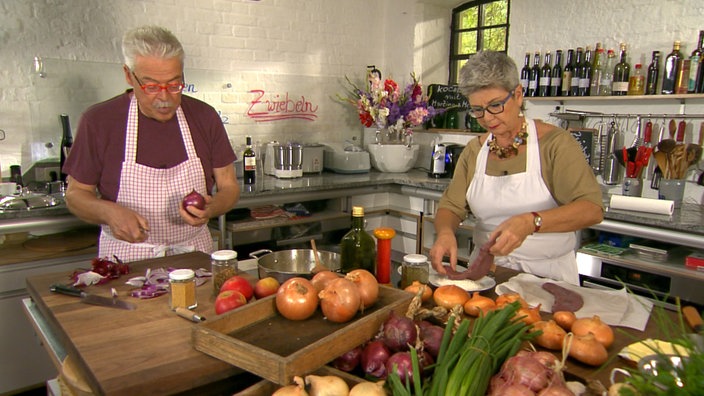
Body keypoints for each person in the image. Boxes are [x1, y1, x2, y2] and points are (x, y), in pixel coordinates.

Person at [64, 25, 240, 262]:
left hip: (193, 256)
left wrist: (212, 206)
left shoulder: (204, 117)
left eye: (175, 85)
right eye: (152, 87)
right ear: (129, 75)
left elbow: (229, 188)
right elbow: (76, 195)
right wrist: (109, 212)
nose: (165, 98)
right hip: (126, 259)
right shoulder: (99, 121)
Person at [429, 51, 603, 284]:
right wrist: (445, 232)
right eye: (477, 110)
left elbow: (591, 209)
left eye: (495, 105)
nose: (487, 118)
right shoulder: (475, 151)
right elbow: (451, 207)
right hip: (486, 274)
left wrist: (531, 222)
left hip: (548, 278)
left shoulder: (555, 144)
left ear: (518, 95)